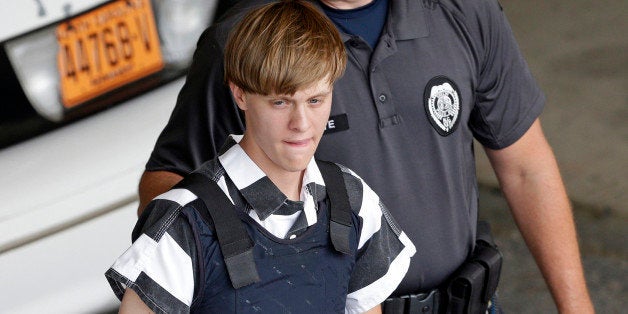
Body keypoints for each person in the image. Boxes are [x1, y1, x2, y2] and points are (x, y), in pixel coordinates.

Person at [138, 0, 594, 312]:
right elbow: (168, 183)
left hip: (468, 301)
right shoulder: (253, 36)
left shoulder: (463, 11)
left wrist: (577, 308)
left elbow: (526, 167)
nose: (299, 119)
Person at [106, 1, 415, 313]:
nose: (301, 124)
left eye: (316, 100)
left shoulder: (353, 200)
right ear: (240, 94)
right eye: (280, 102)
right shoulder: (185, 223)